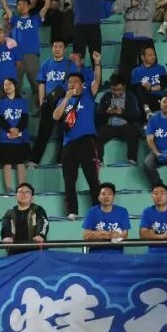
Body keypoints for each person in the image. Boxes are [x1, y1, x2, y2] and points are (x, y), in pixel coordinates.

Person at [53, 55, 103, 220]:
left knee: (92, 178)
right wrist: (67, 98)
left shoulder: (88, 94)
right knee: (69, 179)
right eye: (70, 82)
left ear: (82, 84)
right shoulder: (63, 100)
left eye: (75, 81)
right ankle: (72, 211)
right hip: (68, 144)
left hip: (87, 142)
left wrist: (97, 63)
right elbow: (56, 116)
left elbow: (97, 80)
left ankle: (97, 210)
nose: (72, 84)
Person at [113, 0, 156, 80]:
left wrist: (130, 15)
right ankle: (127, 86)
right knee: (126, 66)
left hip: (144, 35)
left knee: (149, 63)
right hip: (129, 34)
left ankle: (151, 84)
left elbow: (148, 14)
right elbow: (115, 8)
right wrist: (130, 4)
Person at [0, 78, 30, 193]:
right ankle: (8, 188)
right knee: (7, 163)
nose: (7, 86)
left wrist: (17, 131)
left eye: (9, 84)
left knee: (20, 163)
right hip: (6, 137)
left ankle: (22, 187)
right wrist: (10, 129)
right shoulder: (1, 102)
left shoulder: (22, 102)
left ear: (15, 86)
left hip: (20, 137)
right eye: (5, 84)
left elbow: (24, 119)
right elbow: (0, 119)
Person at [96, 75, 141, 166]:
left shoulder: (130, 96)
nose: (116, 92)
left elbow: (136, 116)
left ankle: (132, 159)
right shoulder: (106, 97)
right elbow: (98, 116)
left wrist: (122, 113)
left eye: (119, 90)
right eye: (114, 90)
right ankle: (99, 160)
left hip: (125, 127)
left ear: (124, 87)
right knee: (97, 133)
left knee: (133, 130)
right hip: (110, 126)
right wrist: (106, 113)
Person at [0, 182, 48, 255]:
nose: (23, 194)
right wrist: (6, 237)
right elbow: (5, 227)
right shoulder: (10, 213)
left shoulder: (38, 210)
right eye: (20, 192)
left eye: (27, 192)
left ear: (32, 198)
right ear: (16, 196)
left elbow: (43, 223)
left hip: (35, 251)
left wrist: (40, 235)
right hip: (15, 252)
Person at [82, 182, 130, 255]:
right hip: (95, 255)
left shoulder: (122, 211)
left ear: (114, 197)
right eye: (103, 194)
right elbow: (86, 236)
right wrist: (110, 235)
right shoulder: (92, 211)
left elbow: (124, 235)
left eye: (110, 194)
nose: (106, 197)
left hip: (116, 255)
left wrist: (100, 233)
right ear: (98, 198)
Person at [130, 45, 167, 115]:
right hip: (143, 99)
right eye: (150, 55)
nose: (153, 57)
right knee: (140, 89)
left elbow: (163, 85)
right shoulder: (136, 71)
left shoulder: (160, 68)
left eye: (154, 54)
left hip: (159, 97)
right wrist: (145, 87)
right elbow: (136, 89)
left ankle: (148, 110)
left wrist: (150, 88)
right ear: (142, 57)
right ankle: (147, 110)